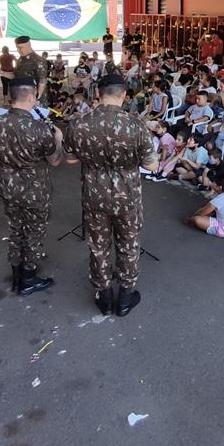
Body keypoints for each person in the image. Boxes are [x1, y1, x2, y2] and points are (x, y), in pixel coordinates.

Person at [64, 74, 157, 317]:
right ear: (124, 95)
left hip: (94, 196)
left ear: (98, 93)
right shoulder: (135, 125)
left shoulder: (79, 123)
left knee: (98, 245)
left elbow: (71, 159)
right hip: (127, 197)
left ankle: (104, 297)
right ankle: (125, 298)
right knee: (128, 244)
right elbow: (152, 166)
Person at [0, 77, 63, 296]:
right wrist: (57, 139)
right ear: (32, 97)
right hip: (34, 190)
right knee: (34, 233)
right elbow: (55, 161)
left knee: (15, 230)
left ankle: (16, 275)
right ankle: (28, 279)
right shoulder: (39, 129)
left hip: (8, 186)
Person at [185, 174, 224, 239]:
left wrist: (192, 218)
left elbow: (202, 212)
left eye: (214, 183)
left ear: (220, 187)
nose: (212, 183)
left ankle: (191, 220)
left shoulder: (222, 197)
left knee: (197, 219)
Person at [13, 35, 48, 100]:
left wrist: (37, 98)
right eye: (17, 48)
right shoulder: (21, 59)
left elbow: (42, 81)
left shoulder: (39, 61)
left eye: (20, 48)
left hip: (34, 99)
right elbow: (17, 74)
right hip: (22, 95)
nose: (18, 50)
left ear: (28, 45)